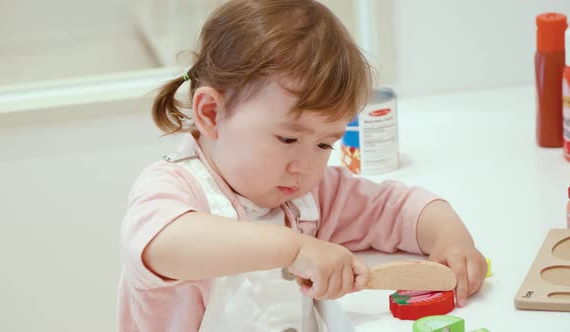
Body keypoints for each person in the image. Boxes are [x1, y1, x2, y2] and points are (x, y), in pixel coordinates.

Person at [118, 0, 488, 331]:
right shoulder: (172, 188)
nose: (305, 166)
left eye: (325, 143)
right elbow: (162, 245)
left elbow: (394, 208)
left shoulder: (310, 195)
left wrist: (449, 237)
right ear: (212, 113)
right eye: (288, 139)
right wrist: (294, 249)